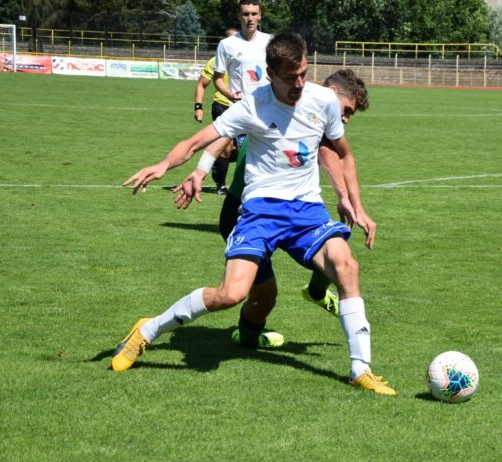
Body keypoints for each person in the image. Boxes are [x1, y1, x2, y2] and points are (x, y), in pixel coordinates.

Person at [114, 33, 396, 395]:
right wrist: (164, 165)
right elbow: (199, 141)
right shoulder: (252, 105)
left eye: (304, 74)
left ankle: (360, 369)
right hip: (260, 212)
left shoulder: (324, 100)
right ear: (271, 73)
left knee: (347, 265)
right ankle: (146, 331)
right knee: (231, 294)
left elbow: (343, 153)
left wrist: (355, 206)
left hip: (307, 212)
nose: (298, 84)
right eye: (290, 77)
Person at [179, 69, 372, 351]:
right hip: (244, 213)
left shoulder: (317, 115)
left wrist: (347, 199)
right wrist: (201, 169)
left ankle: (317, 292)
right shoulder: (280, 103)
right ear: (332, 94)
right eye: (346, 110)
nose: (344, 118)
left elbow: (330, 154)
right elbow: (225, 130)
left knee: (337, 240)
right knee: (264, 296)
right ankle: (246, 336)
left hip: (289, 211)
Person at [193, 25, 239, 195]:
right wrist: (198, 107)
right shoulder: (215, 62)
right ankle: (221, 184)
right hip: (222, 107)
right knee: (226, 146)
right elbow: (201, 84)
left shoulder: (248, 58)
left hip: (244, 108)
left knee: (243, 149)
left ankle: (215, 161)